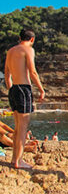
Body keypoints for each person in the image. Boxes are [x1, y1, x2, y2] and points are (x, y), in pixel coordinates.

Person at [3, 29, 45, 169]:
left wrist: (11, 90)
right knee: (23, 127)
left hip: (14, 88)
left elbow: (7, 73)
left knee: (17, 126)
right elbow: (32, 71)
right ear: (32, 40)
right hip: (23, 88)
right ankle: (18, 161)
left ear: (19, 38)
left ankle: (14, 158)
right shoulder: (28, 50)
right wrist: (41, 89)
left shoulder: (10, 51)